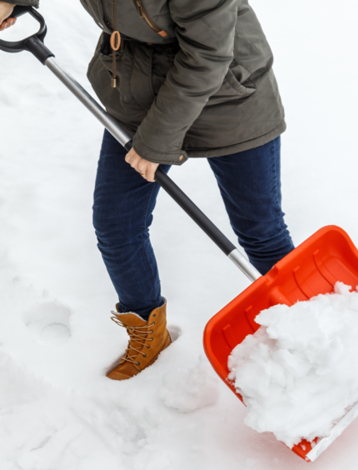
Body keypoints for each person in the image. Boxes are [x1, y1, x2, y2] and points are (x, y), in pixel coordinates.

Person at [0, 0, 294, 380]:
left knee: (261, 233)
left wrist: (154, 143)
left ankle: (309, 329)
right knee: (116, 225)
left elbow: (207, 54)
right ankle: (148, 332)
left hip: (229, 97)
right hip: (138, 88)